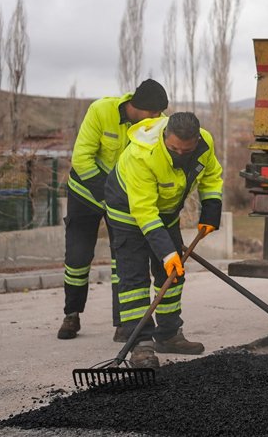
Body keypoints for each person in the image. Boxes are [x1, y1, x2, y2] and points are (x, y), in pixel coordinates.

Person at [104, 111, 223, 369]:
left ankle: (169, 335)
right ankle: (141, 345)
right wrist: (167, 253)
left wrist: (211, 209)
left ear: (195, 141)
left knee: (173, 275)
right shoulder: (142, 155)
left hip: (167, 212)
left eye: (186, 150)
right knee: (134, 279)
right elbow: (144, 211)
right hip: (128, 212)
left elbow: (212, 175)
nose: (179, 155)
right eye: (173, 149)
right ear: (165, 136)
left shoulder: (205, 143)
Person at [57, 79, 169, 341]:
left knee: (125, 259)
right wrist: (109, 194)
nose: (157, 118)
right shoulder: (101, 111)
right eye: (154, 113)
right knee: (77, 256)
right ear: (137, 106)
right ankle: (72, 314)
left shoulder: (156, 124)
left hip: (122, 201)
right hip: (86, 194)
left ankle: (124, 323)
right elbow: (82, 159)